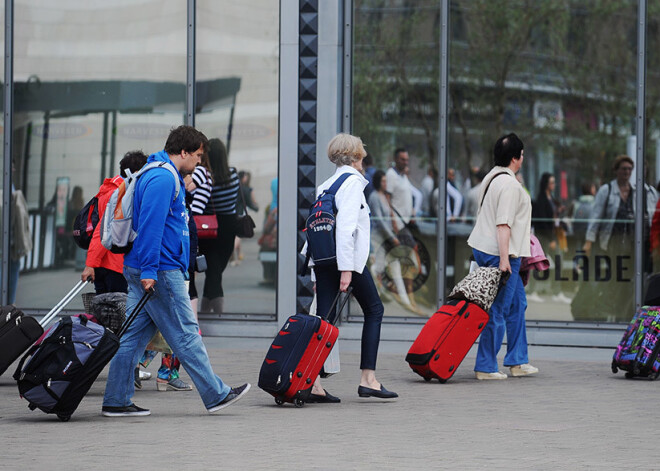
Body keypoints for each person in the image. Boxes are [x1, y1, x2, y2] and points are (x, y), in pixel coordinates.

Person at [101, 125, 250, 417]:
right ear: (182, 152)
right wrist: (149, 271)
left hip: (150, 269)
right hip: (160, 271)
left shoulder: (160, 172)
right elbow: (151, 227)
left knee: (131, 338)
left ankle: (116, 400)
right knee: (186, 334)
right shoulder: (162, 177)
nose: (198, 162)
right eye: (196, 155)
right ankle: (216, 394)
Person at [306, 133, 398, 403]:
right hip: (347, 262)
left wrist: (315, 268)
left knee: (325, 319)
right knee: (374, 310)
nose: (364, 158)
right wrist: (347, 270)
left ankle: (311, 380)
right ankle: (368, 379)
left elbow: (315, 229)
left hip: (324, 261)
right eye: (362, 153)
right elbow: (346, 229)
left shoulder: (327, 185)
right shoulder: (353, 184)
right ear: (356, 156)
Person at [466, 132, 538, 380]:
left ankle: (518, 361)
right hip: (501, 253)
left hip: (487, 248)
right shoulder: (509, 184)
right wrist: (506, 260)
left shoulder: (491, 178)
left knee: (517, 304)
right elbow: (503, 224)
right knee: (497, 309)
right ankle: (486, 366)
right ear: (517, 157)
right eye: (522, 153)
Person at [584, 155, 658, 320]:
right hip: (612, 243)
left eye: (629, 169)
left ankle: (623, 313)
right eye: (623, 169)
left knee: (630, 281)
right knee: (614, 280)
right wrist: (589, 241)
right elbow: (595, 217)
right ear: (616, 170)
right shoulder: (607, 190)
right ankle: (607, 312)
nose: (626, 172)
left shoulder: (639, 191)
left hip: (634, 245)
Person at [81, 151, 148, 295]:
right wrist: (90, 263)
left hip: (101, 265)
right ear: (136, 172)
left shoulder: (106, 191)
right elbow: (102, 231)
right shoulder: (121, 195)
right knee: (118, 311)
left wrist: (93, 263)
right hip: (115, 264)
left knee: (103, 310)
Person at [198, 138, 240, 315]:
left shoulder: (206, 178)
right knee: (216, 271)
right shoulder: (234, 175)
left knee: (213, 272)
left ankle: (215, 315)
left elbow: (202, 203)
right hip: (229, 227)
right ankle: (207, 311)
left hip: (210, 227)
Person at [367, 170, 413, 309]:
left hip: (387, 237)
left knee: (394, 265)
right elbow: (380, 221)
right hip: (379, 237)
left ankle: (405, 300)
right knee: (384, 266)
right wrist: (393, 237)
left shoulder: (384, 196)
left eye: (386, 180)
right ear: (378, 182)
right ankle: (398, 299)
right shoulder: (375, 197)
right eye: (383, 181)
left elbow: (389, 217)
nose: (386, 183)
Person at [530, 173, 570, 304]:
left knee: (557, 261)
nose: (554, 185)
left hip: (551, 235)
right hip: (545, 236)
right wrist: (551, 239)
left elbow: (553, 218)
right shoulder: (541, 200)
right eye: (552, 182)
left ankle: (556, 291)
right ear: (546, 184)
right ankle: (533, 291)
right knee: (539, 263)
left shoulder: (551, 199)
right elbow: (542, 221)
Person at [232, 170, 259, 266]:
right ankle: (232, 249)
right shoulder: (245, 189)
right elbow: (249, 202)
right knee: (238, 236)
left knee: (236, 235)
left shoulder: (234, 187)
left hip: (232, 213)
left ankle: (239, 255)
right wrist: (256, 208)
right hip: (241, 214)